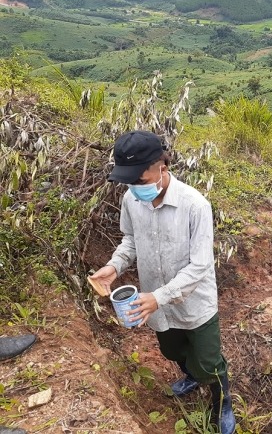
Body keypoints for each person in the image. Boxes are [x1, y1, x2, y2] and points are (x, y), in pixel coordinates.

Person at [90, 131, 235, 434]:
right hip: (157, 303)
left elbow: (200, 266)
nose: (134, 188)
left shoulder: (195, 206)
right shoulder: (132, 199)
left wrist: (160, 296)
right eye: (129, 182)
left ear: (162, 168)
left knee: (210, 362)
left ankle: (222, 404)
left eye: (140, 181)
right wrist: (114, 266)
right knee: (172, 351)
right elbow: (130, 240)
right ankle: (192, 376)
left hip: (194, 305)